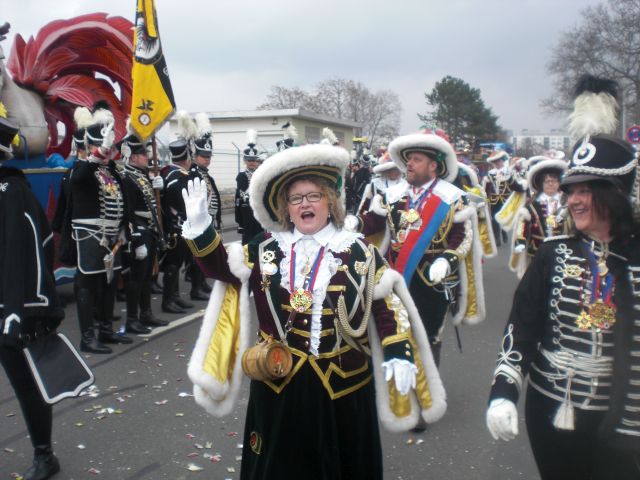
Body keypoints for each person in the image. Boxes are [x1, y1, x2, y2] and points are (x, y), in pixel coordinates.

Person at [183, 143, 446, 479]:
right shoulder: (265, 248)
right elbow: (221, 268)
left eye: (313, 196)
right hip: (279, 381)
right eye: (295, 199)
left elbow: (386, 306)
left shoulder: (358, 250)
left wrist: (398, 351)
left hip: (344, 385)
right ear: (286, 208)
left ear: (329, 202)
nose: (304, 204)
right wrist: (201, 228)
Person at [486, 75, 640, 479]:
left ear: (615, 194)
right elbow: (522, 325)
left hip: (622, 418)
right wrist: (504, 390)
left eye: (586, 190)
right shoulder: (554, 253)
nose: (573, 200)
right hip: (551, 408)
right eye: (571, 190)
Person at [350, 130, 485, 368]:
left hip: (431, 281)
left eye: (416, 159)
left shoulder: (452, 198)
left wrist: (446, 260)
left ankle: (426, 386)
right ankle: (395, 383)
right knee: (391, 331)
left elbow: (462, 237)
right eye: (408, 159)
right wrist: (356, 222)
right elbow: (376, 221)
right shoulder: (393, 195)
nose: (409, 164)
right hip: (393, 274)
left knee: (428, 339)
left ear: (433, 166)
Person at [0, 117, 64, 480]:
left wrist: (16, 312)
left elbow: (24, 255)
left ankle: (44, 454)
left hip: (14, 307)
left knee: (27, 385)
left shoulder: (13, 191)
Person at [70, 108, 133, 353]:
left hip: (112, 236)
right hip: (90, 234)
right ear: (90, 148)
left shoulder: (110, 171)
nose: (106, 151)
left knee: (109, 283)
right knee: (87, 283)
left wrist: (124, 228)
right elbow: (78, 179)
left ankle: (106, 330)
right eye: (100, 147)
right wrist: (98, 153)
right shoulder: (81, 169)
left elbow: (123, 199)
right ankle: (87, 337)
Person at [119, 132, 168, 333]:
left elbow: (153, 204)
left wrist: (160, 189)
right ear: (132, 157)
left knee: (147, 276)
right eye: (142, 154)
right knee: (136, 278)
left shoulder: (141, 176)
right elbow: (128, 210)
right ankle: (132, 319)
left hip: (149, 229)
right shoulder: (126, 178)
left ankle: (146, 313)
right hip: (138, 231)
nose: (146, 157)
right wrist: (136, 237)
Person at [159, 112, 196, 314]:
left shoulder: (177, 174)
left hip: (182, 226)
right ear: (186, 157)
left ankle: (174, 296)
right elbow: (180, 199)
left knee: (178, 262)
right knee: (172, 264)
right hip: (175, 226)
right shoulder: (175, 176)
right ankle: (168, 300)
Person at [509, 156, 567, 278]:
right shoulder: (532, 205)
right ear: (542, 184)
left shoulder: (566, 204)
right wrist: (520, 241)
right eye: (547, 181)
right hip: (537, 249)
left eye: (554, 181)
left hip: (561, 249)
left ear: (559, 183)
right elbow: (523, 225)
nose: (550, 184)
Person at [187, 113, 220, 301]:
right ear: (195, 155)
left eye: (209, 156)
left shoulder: (205, 175)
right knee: (197, 256)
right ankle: (196, 287)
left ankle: (202, 283)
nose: (207, 159)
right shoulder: (192, 174)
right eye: (203, 156)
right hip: (198, 222)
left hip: (208, 221)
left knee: (206, 254)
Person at [235, 129, 264, 245]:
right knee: (248, 242)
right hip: (247, 212)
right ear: (244, 160)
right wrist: (240, 221)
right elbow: (240, 197)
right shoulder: (241, 176)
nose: (251, 162)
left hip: (260, 211)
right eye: (249, 160)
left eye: (253, 160)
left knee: (261, 239)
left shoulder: (261, 175)